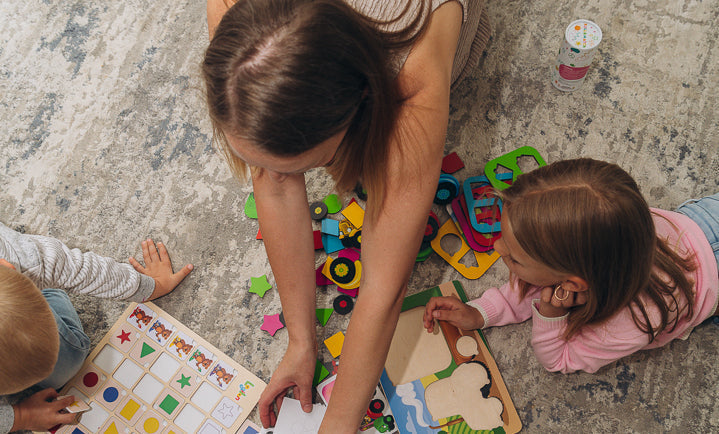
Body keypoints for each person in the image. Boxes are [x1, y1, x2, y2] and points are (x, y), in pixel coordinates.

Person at [203, 0, 491, 430]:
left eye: (299, 166)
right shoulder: (233, 19)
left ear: (358, 105)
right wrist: (301, 341)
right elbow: (274, 180)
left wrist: (337, 426)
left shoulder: (413, 75)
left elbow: (384, 290)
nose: (274, 177)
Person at [423, 158, 719, 374]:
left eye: (514, 258)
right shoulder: (613, 225)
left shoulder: (626, 326)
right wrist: (480, 313)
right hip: (703, 218)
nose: (497, 248)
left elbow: (558, 360)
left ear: (573, 283)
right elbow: (535, 283)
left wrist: (551, 315)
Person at [0, 222, 193, 433]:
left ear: (8, 267)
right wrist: (18, 417)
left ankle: (43, 291)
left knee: (65, 362)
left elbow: (85, 270)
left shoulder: (26, 258)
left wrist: (151, 286)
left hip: (21, 283)